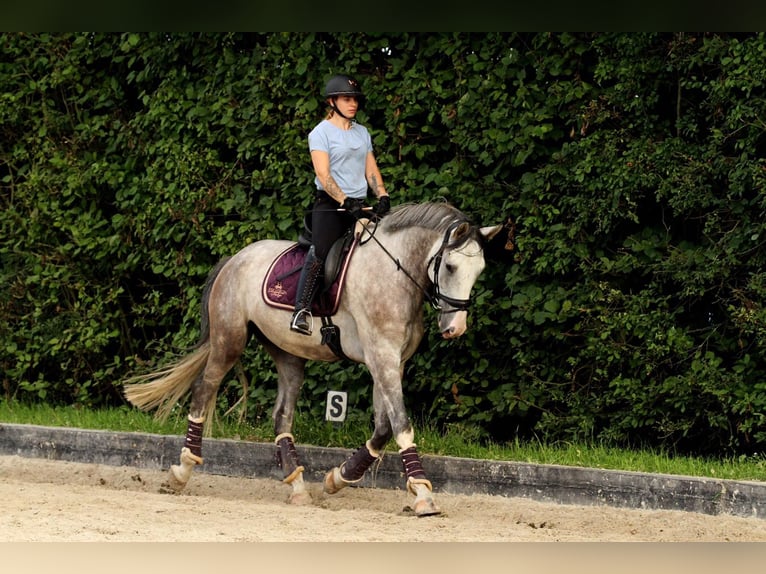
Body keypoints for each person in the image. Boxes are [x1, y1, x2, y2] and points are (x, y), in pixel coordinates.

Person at [290, 74, 391, 335]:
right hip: (331, 206)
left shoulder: (362, 132)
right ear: (332, 102)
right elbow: (324, 175)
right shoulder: (320, 133)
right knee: (321, 252)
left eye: (355, 100)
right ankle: (300, 309)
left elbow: (370, 168)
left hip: (359, 206)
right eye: (347, 99)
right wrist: (345, 200)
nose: (353, 104)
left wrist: (382, 195)